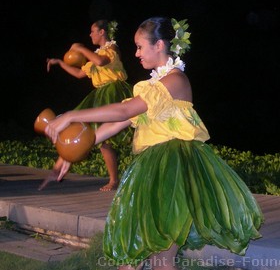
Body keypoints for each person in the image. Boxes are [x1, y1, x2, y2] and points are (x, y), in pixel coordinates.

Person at [44, 17, 264, 270]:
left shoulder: (175, 81)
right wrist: (70, 152)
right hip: (154, 169)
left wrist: (72, 115)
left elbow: (121, 112)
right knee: (143, 255)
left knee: (158, 258)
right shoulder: (153, 85)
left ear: (159, 44)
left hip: (173, 171)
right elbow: (116, 124)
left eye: (139, 47)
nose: (135, 53)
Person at [40, 20, 133, 191]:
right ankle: (63, 165)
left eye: (92, 31)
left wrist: (80, 48)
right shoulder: (95, 55)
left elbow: (100, 62)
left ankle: (114, 180)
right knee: (96, 136)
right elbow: (78, 73)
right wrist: (60, 63)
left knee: (114, 134)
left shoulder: (112, 49)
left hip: (114, 91)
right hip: (99, 94)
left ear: (102, 32)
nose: (90, 34)